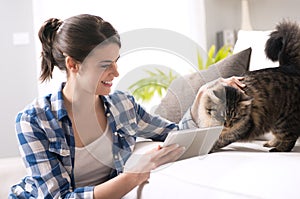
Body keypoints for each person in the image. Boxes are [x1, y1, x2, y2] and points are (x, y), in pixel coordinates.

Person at [9, 14, 245, 199]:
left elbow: (178, 135)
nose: (116, 72)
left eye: (116, 62)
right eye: (105, 65)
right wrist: (132, 176)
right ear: (73, 64)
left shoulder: (122, 105)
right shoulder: (34, 121)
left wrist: (202, 95)